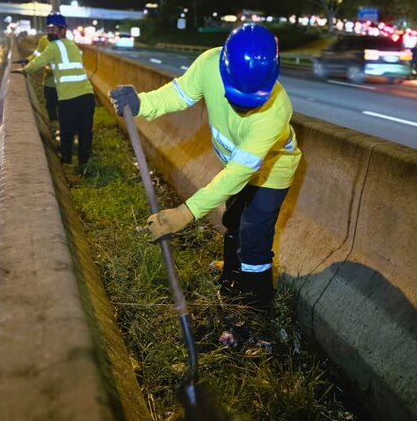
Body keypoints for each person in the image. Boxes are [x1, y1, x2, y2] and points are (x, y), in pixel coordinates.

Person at [109, 24, 302, 308]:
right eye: (235, 98)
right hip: (236, 166)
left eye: (251, 102)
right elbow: (179, 94)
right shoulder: (210, 63)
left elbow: (238, 173)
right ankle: (231, 276)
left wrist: (186, 213)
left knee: (254, 236)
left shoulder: (275, 111)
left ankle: (254, 305)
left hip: (273, 172)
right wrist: (141, 103)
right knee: (233, 221)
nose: (243, 109)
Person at [22, 12, 95, 171]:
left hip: (68, 98)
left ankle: (67, 164)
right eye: (49, 29)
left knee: (67, 132)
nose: (51, 32)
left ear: (63, 30)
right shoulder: (72, 45)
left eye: (54, 29)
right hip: (87, 96)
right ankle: (84, 165)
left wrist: (24, 70)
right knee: (84, 132)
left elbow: (38, 63)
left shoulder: (54, 47)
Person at [27, 34, 58, 123]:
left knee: (62, 105)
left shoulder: (66, 42)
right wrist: (28, 61)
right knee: (50, 104)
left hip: (62, 82)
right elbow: (37, 54)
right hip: (49, 81)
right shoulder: (44, 40)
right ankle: (54, 124)